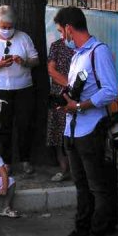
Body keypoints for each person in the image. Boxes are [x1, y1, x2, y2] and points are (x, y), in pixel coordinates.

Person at [51, 6, 118, 236]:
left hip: (91, 129)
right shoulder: (78, 54)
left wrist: (80, 106)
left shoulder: (97, 52)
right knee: (81, 185)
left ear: (69, 27)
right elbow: (78, 87)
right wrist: (67, 100)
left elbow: (111, 91)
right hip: (73, 128)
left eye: (61, 31)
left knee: (97, 188)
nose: (61, 36)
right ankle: (81, 231)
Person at [0, 5, 39, 174]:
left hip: (23, 88)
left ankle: (25, 159)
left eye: (9, 27)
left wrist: (24, 61)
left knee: (24, 125)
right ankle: (6, 161)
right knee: (4, 127)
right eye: (3, 27)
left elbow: (35, 60)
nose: (6, 30)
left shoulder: (23, 38)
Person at [46, 34, 75, 182]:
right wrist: (68, 86)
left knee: (71, 136)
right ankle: (64, 169)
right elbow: (51, 70)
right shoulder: (56, 46)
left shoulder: (82, 47)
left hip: (75, 97)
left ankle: (74, 170)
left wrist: (74, 90)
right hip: (58, 95)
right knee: (57, 134)